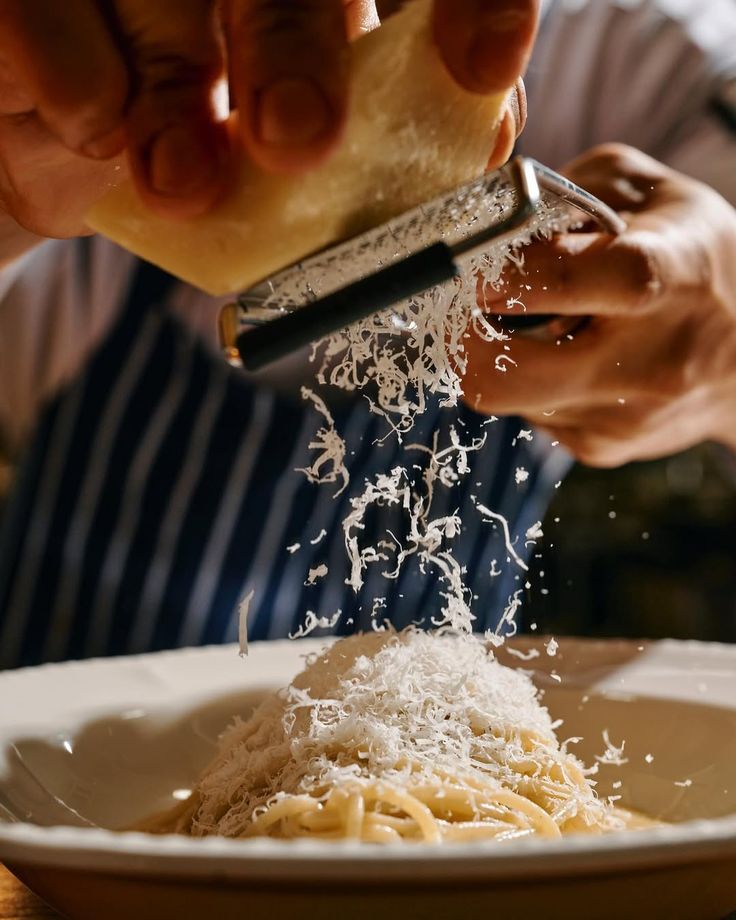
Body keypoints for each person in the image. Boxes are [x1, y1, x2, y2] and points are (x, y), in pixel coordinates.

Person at [0, 0, 734, 669]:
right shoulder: (111, 56)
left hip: (427, 791)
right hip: (42, 781)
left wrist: (724, 356)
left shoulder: (657, 61)